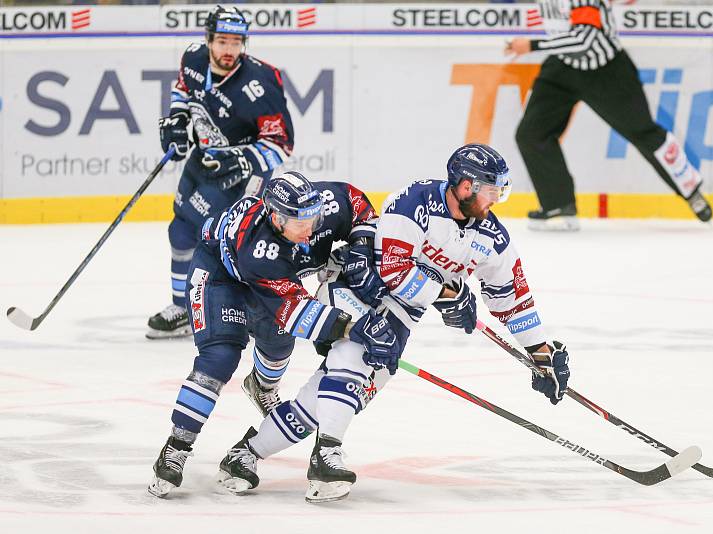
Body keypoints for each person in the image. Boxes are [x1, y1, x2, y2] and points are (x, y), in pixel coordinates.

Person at [212, 144, 572, 503]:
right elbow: (393, 270)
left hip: (401, 315)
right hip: (354, 286)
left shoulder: (491, 237)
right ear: (466, 187)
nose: (496, 201)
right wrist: (448, 295)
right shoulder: (416, 202)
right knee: (355, 359)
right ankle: (326, 457)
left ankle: (246, 454)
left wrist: (539, 350)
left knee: (336, 396)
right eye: (491, 192)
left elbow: (513, 297)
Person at [147, 171, 395, 498]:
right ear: (276, 219)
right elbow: (295, 310)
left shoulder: (318, 209)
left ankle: (261, 387)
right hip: (220, 278)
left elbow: (355, 200)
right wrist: (350, 327)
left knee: (278, 344)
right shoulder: (259, 249)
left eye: (314, 217)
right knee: (220, 358)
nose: (310, 229)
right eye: (299, 223)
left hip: (273, 283)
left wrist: (361, 245)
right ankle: (177, 447)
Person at [148, 5, 294, 338]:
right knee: (181, 231)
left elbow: (281, 144)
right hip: (203, 161)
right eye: (222, 41)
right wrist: (178, 119)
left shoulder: (261, 83)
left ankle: (256, 312)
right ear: (209, 39)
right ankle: (183, 309)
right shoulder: (194, 57)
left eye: (236, 42)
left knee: (230, 245)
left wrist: (244, 159)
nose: (229, 50)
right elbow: (183, 89)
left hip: (244, 175)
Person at [506, 0, 712, 231]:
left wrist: (532, 44)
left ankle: (691, 191)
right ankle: (558, 203)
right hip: (563, 66)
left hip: (607, 71)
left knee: (643, 132)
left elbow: (585, 39)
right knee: (531, 134)